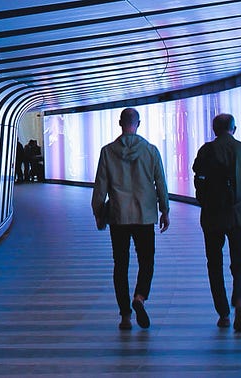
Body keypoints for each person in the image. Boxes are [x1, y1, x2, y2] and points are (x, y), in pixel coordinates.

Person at [91, 108, 170, 330]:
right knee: (147, 261)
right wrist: (165, 210)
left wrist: (98, 212)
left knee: (120, 265)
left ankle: (125, 316)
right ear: (139, 123)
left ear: (120, 123)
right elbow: (160, 183)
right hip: (144, 216)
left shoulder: (107, 152)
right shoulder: (151, 151)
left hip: (119, 216)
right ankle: (140, 297)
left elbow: (100, 186)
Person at [192, 113, 241, 332]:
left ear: (214, 130)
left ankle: (224, 314)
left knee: (214, 264)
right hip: (240, 216)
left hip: (212, 216)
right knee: (239, 264)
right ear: (234, 129)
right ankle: (240, 302)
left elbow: (198, 177)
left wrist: (204, 200)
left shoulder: (206, 150)